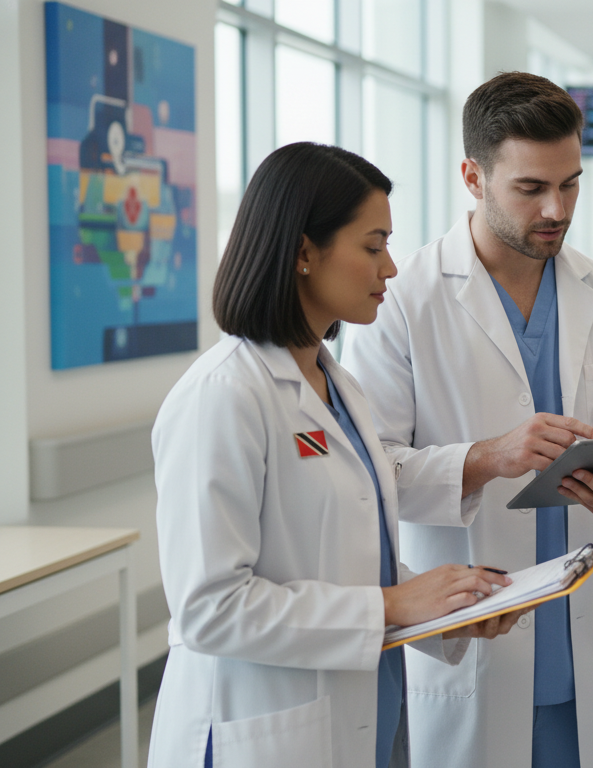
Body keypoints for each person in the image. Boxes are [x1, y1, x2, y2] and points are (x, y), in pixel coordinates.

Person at [148, 143, 523, 768]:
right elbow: (209, 609)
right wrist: (392, 605)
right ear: (303, 252)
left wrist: (442, 606)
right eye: (373, 247)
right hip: (257, 729)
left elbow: (344, 558)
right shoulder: (223, 396)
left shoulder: (336, 385)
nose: (391, 268)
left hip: (358, 714)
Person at [342, 72, 593, 768]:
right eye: (531, 188)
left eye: (570, 184)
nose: (556, 208)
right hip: (470, 644)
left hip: (578, 652)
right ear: (473, 177)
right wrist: (488, 457)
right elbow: (368, 475)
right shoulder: (404, 299)